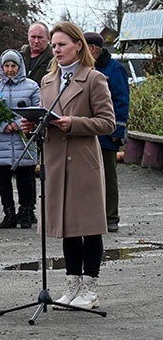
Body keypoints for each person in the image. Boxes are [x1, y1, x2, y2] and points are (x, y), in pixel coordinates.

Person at [20, 21, 115, 310]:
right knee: (66, 225)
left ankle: (90, 289)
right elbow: (46, 120)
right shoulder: (47, 82)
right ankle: (71, 285)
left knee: (88, 225)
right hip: (55, 161)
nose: (57, 50)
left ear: (77, 46)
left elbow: (107, 122)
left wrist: (72, 123)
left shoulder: (94, 78)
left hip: (83, 161)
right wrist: (31, 125)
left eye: (62, 44)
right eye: (54, 45)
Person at [0, 49, 40, 229]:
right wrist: (2, 125)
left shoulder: (31, 86)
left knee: (25, 178)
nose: (10, 69)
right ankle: (8, 212)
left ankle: (25, 211)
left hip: (23, 138)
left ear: (19, 66)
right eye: (6, 66)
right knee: (3, 179)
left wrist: (18, 123)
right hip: (1, 140)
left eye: (13, 65)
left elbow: (37, 108)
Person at [85, 33, 129, 233]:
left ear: (93, 48)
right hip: (86, 131)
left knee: (108, 177)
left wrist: (117, 131)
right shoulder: (84, 68)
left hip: (106, 133)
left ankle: (111, 217)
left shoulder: (115, 69)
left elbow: (121, 101)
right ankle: (92, 216)